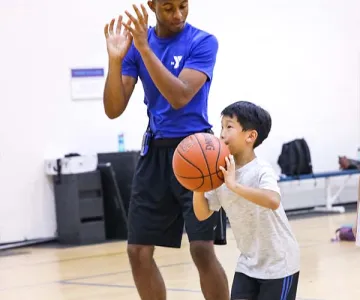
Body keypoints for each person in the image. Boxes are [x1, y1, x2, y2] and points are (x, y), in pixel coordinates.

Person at [102, 1, 229, 300]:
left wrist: (145, 50)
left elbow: (180, 96)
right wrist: (115, 61)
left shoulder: (203, 41)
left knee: (201, 249)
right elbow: (113, 109)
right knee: (137, 251)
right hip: (155, 155)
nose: (178, 15)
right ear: (152, 5)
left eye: (183, 6)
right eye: (169, 8)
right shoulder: (137, 44)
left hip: (198, 151)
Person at [193, 101, 301, 300]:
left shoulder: (261, 169)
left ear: (250, 136)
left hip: (280, 264)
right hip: (248, 263)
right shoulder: (219, 174)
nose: (222, 133)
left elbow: (272, 200)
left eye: (229, 126)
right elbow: (202, 213)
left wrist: (234, 186)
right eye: (221, 127)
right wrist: (198, 188)